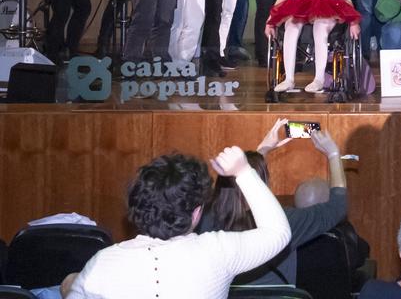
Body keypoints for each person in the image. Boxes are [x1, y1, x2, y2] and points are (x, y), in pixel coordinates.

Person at [63, 146, 289, 299]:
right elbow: (278, 232)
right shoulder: (218, 251)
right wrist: (243, 171)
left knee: (68, 282)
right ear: (196, 213)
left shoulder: (101, 264)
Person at [203, 121, 348, 286]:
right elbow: (337, 206)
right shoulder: (284, 221)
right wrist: (333, 154)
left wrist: (261, 152)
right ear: (262, 184)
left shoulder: (203, 221)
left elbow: (241, 186)